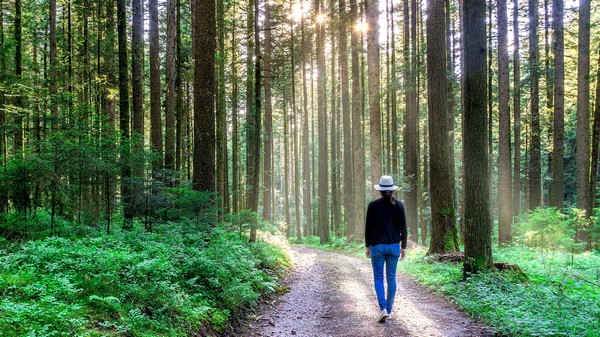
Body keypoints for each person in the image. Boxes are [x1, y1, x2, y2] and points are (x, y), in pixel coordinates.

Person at [365, 175, 407, 323]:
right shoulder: (399, 205)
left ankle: (382, 308)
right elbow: (403, 228)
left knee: (378, 278)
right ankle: (388, 310)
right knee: (391, 279)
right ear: (392, 189)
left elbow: (368, 228)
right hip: (394, 247)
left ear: (380, 190)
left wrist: (367, 246)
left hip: (377, 247)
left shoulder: (373, 205)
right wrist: (404, 247)